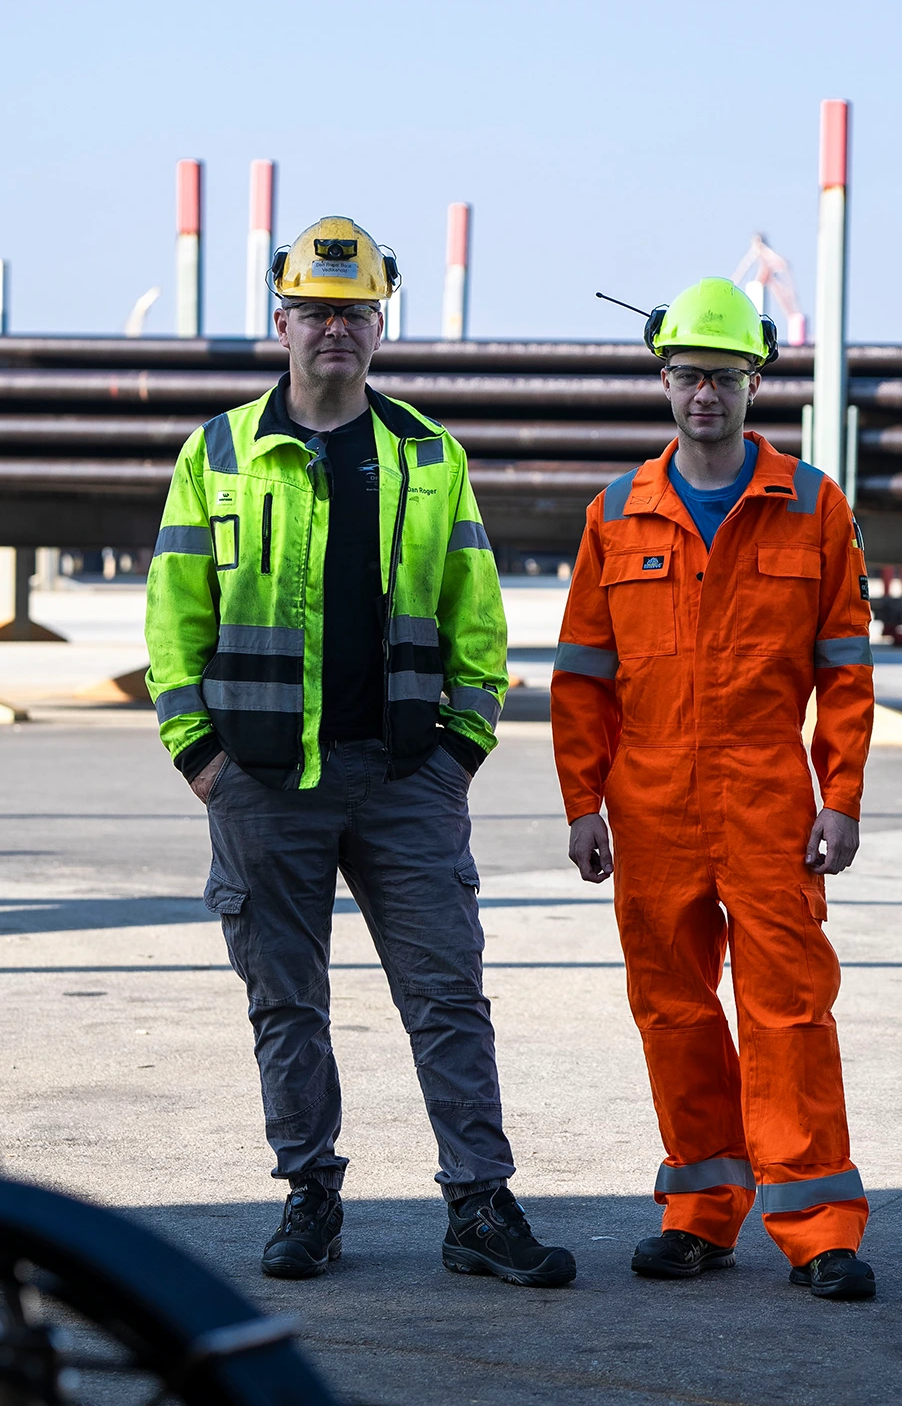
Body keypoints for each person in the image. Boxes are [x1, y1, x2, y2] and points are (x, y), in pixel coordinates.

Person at [144, 217, 574, 1288]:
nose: (336, 327)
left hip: (402, 778)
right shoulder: (218, 454)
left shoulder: (429, 455)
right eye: (317, 309)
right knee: (285, 999)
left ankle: (479, 1201)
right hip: (262, 780)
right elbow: (173, 620)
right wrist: (202, 754)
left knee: (448, 993)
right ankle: (309, 1194)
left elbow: (479, 621)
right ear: (279, 318)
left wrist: (459, 747)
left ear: (381, 323)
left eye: (356, 310)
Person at [551, 278, 878, 1300]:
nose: (705, 393)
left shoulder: (814, 505)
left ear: (754, 382)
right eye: (690, 374)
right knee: (675, 1012)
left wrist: (843, 793)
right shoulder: (615, 512)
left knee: (789, 1013)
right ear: (664, 380)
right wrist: (581, 802)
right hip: (649, 805)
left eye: (725, 377)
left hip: (770, 796)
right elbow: (582, 677)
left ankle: (818, 1225)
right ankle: (700, 1210)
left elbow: (846, 670)